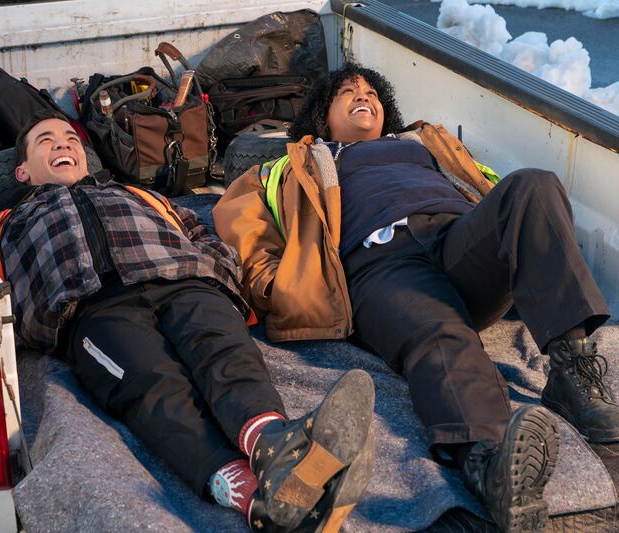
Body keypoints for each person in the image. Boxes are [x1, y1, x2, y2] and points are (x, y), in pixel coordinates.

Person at [213, 62, 619, 532]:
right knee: (438, 330)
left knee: (534, 184)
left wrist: (518, 232)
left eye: (372, 91)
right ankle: (489, 463)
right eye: (348, 92)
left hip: (456, 240)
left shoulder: (426, 144)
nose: (364, 96)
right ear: (323, 118)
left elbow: (488, 189)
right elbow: (244, 227)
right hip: (381, 264)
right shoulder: (292, 163)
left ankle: (572, 373)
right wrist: (275, 287)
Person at [0, 108, 377, 532]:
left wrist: (214, 270)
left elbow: (197, 230)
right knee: (153, 385)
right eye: (46, 140)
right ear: (22, 171)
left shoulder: (137, 194)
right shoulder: (4, 225)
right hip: (96, 310)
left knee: (224, 351)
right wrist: (47, 325)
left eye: (71, 139)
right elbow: (1, 295)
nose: (63, 143)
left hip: (183, 280)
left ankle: (275, 446)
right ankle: (259, 501)